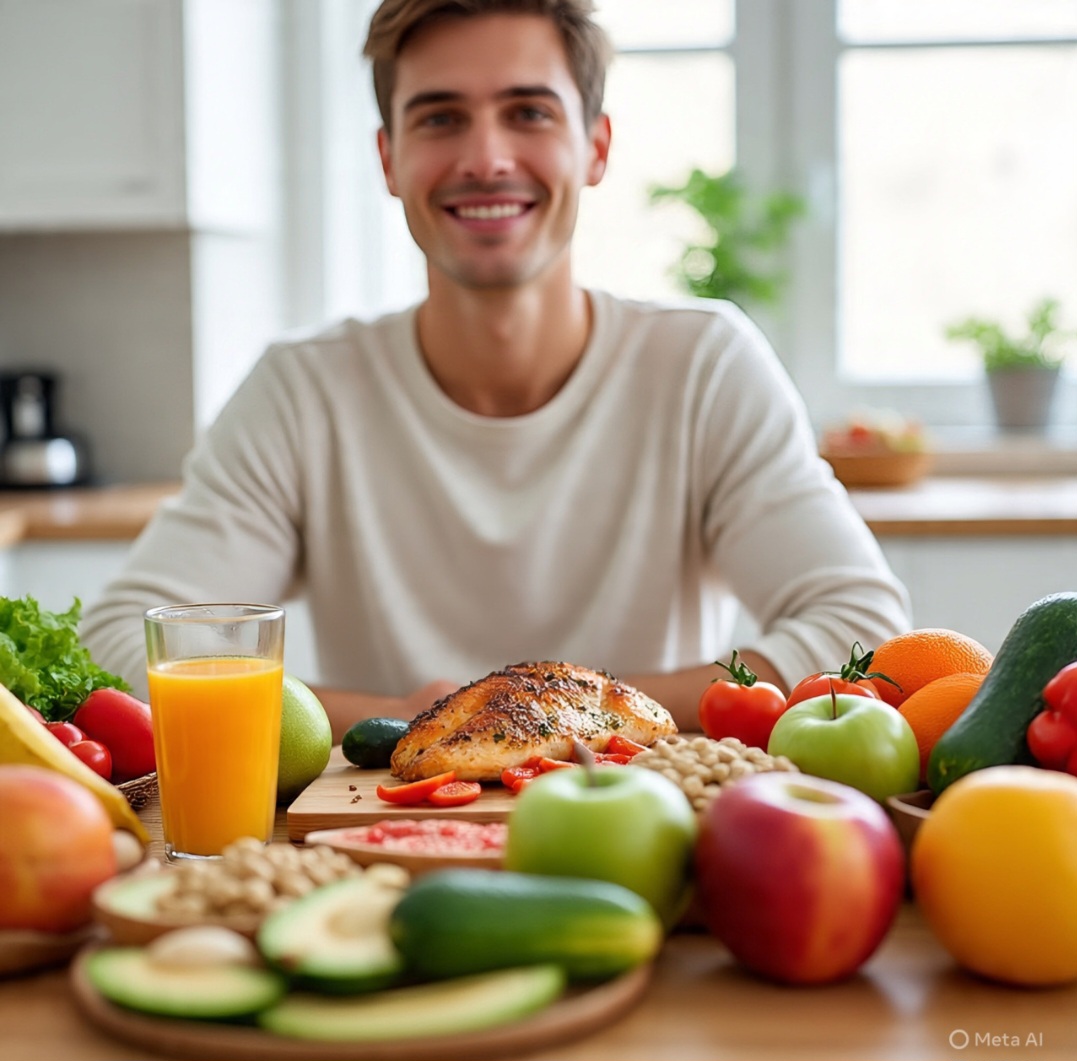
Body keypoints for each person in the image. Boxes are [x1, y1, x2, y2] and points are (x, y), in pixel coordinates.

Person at [81, 0, 910, 739]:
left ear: (595, 145)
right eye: (440, 119)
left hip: (645, 833)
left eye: (527, 112)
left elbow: (860, 626)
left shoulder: (701, 367)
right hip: (382, 828)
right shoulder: (305, 390)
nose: (485, 157)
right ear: (388, 158)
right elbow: (124, 640)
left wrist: (552, 706)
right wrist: (412, 719)